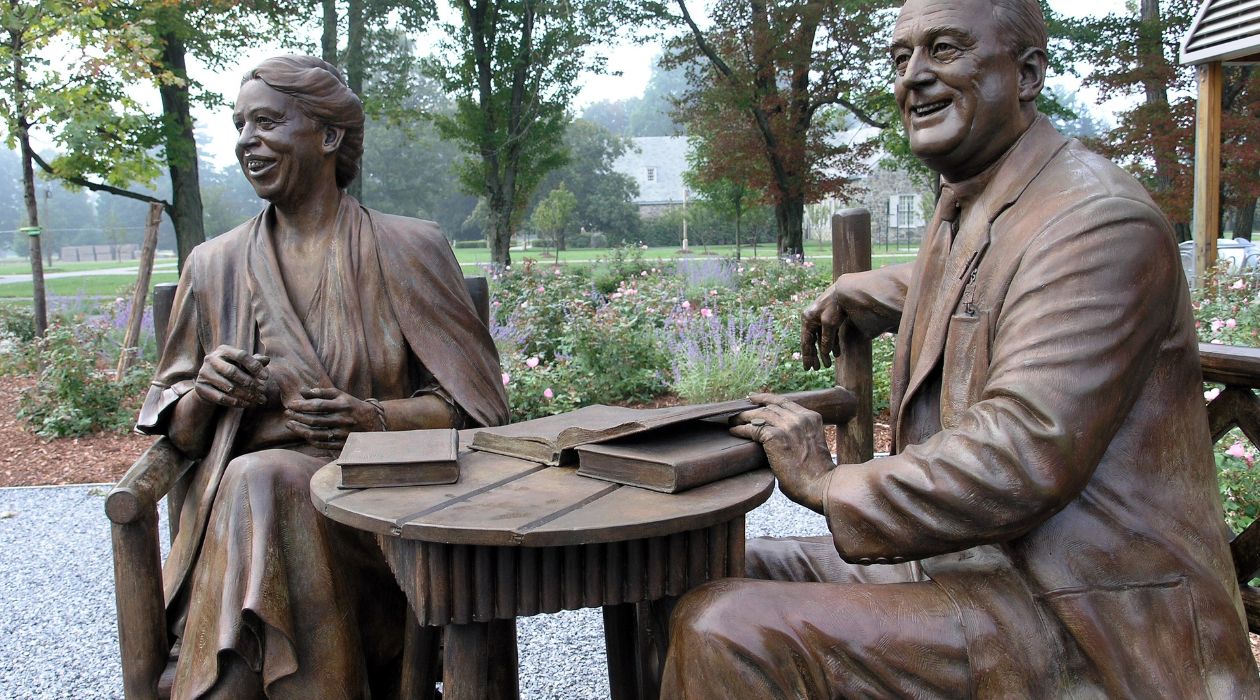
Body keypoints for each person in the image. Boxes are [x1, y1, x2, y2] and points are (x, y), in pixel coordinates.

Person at [660, 0, 1260, 696]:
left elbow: (1023, 452)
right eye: (901, 57)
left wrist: (826, 482)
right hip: (970, 565)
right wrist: (871, 289)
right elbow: (989, 274)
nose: (913, 76)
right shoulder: (977, 195)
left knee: (729, 628)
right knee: (692, 575)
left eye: (944, 50)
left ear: (1027, 74)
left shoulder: (1101, 221)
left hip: (1080, 608)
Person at [135, 55, 508, 699]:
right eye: (240, 125)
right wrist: (206, 392)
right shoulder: (213, 265)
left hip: (386, 526)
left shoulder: (408, 248)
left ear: (330, 136)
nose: (247, 140)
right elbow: (181, 436)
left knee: (265, 478)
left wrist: (374, 420)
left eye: (267, 122)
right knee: (264, 477)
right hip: (246, 535)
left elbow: (480, 412)